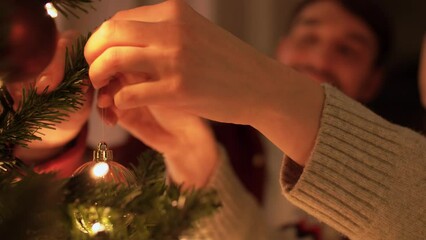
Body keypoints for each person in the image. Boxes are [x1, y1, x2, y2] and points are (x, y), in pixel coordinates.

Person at [81, 0, 425, 240]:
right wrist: (188, 148)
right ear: (282, 48)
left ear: (372, 81)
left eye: (347, 50)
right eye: (309, 38)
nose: (321, 59)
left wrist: (270, 93)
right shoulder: (202, 123)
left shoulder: (401, 160)